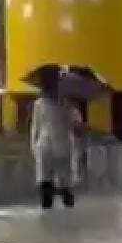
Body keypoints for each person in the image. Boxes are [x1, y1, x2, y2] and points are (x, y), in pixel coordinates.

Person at [30, 68, 80, 209]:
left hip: (46, 146)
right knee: (63, 184)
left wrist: (34, 147)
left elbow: (35, 129)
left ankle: (49, 214)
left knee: (48, 182)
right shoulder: (65, 104)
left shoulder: (40, 104)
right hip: (60, 146)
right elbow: (73, 125)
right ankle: (65, 217)